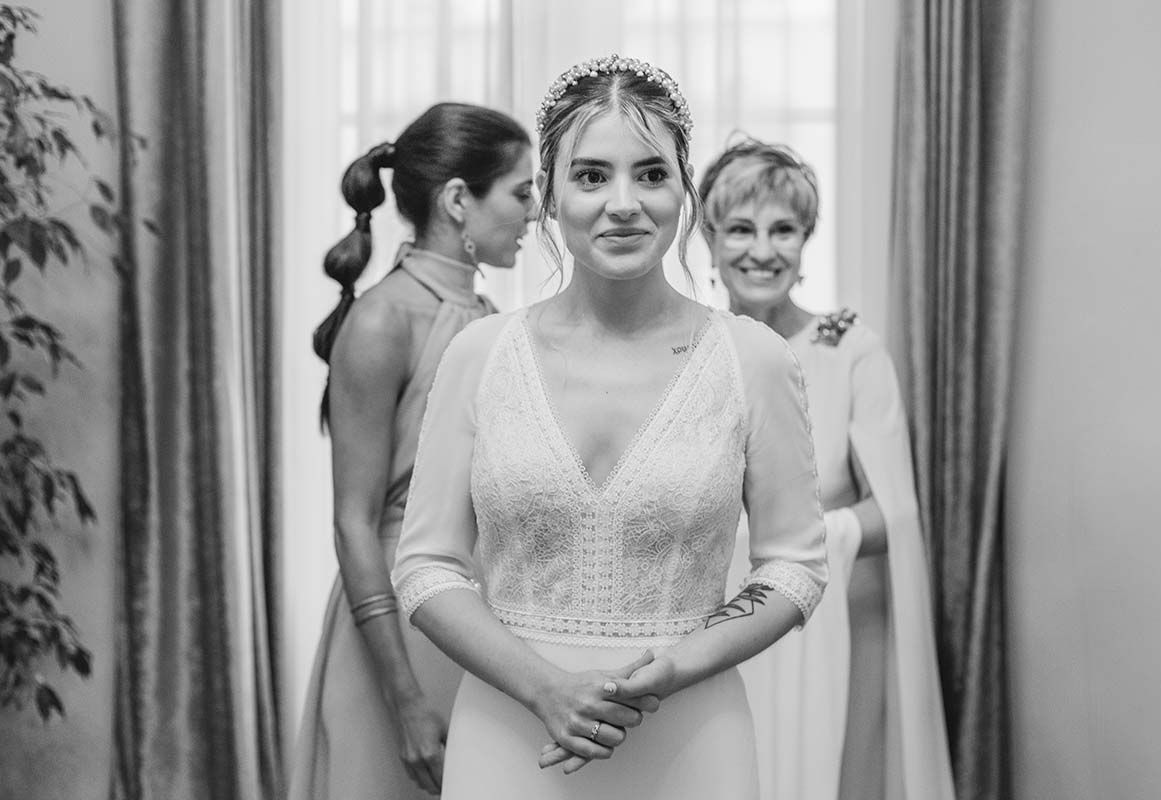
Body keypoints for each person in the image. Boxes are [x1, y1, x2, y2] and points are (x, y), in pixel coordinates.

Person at [388, 55, 828, 800]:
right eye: (591, 176)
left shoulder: (753, 359)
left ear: (684, 191)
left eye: (651, 174)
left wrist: (679, 666)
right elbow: (426, 566)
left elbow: (794, 566)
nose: (623, 203)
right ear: (549, 198)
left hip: (691, 738)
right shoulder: (480, 355)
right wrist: (542, 688)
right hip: (509, 735)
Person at [288, 102, 535, 800]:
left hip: (480, 623)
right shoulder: (380, 321)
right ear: (458, 199)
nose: (536, 213)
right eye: (522, 193)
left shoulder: (494, 324)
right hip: (396, 631)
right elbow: (353, 521)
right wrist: (403, 699)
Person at [699, 137, 956, 800]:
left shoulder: (850, 350)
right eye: (741, 229)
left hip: (830, 618)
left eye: (783, 229)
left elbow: (894, 510)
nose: (763, 249)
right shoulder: (688, 348)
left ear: (807, 238)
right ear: (709, 238)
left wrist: (801, 547)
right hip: (709, 626)